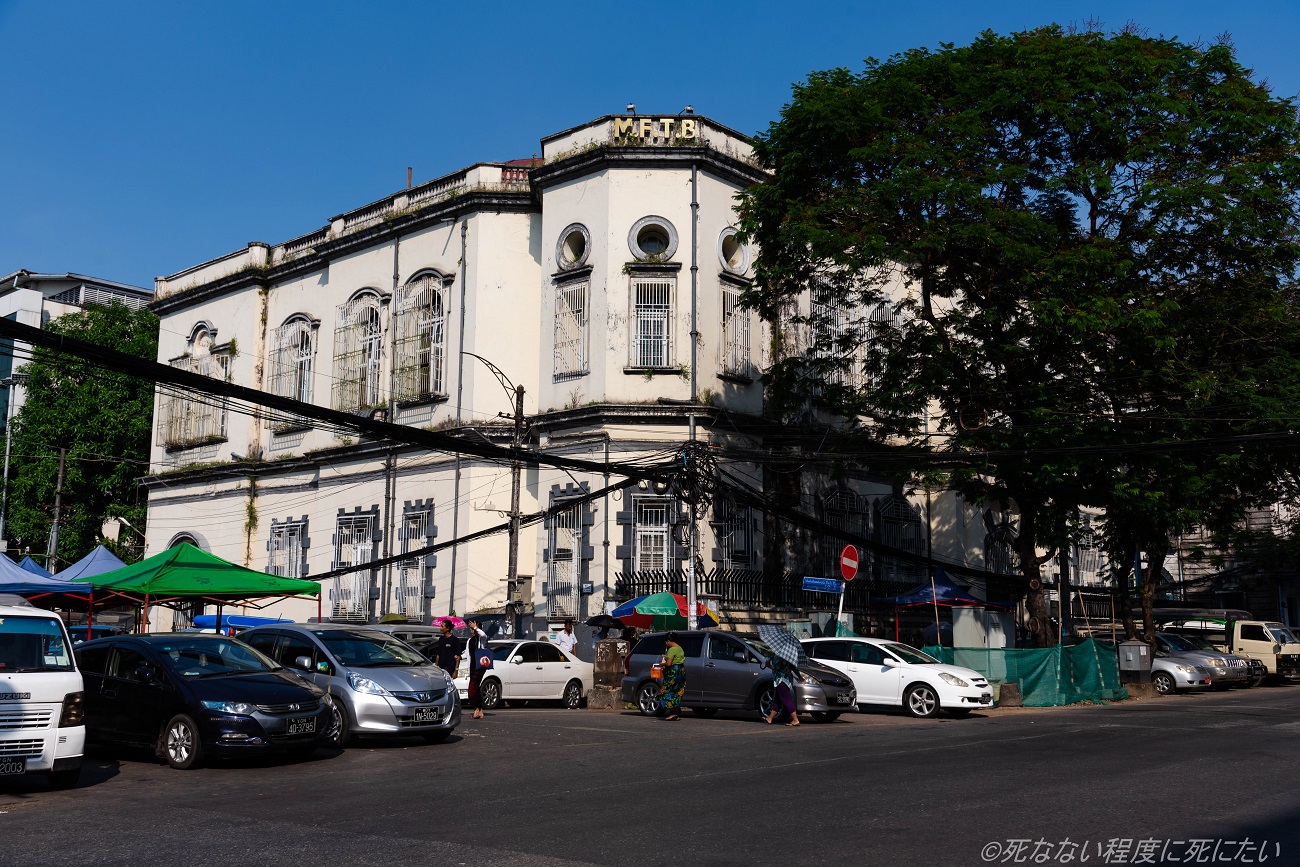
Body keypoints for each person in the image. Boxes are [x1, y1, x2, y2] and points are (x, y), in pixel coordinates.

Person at [764, 655, 800, 727]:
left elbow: (776, 668)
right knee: (777, 700)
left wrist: (768, 663)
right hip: (786, 680)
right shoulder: (787, 656)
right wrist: (800, 677)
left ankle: (795, 719)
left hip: (781, 681)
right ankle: (770, 718)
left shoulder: (779, 657)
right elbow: (793, 668)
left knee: (786, 700)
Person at [657, 632, 686, 721]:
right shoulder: (680, 648)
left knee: (665, 691)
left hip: (673, 672)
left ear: (668, 641)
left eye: (666, 642)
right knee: (676, 691)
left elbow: (669, 663)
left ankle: (673, 711)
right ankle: (675, 712)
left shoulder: (671, 649)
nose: (666, 644)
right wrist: (666, 656)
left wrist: (661, 664)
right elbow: (676, 659)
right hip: (681, 672)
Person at [465, 619, 490, 720]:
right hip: (472, 666)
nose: (472, 631)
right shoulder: (469, 640)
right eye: (471, 629)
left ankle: (476, 708)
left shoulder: (481, 639)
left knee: (472, 688)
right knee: (476, 688)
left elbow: (484, 635)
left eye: (473, 629)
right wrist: (458, 657)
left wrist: (476, 627)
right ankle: (480, 710)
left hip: (480, 666)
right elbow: (467, 654)